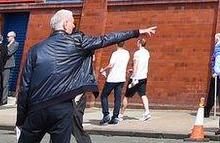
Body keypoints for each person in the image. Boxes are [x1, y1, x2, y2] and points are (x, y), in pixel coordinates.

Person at [14, 10, 154, 143]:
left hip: (36, 108)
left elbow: (24, 86)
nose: (74, 25)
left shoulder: (35, 50)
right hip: (62, 108)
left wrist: (21, 119)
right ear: (65, 24)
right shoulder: (77, 42)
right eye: (72, 22)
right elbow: (106, 39)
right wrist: (137, 32)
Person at [102, 40, 132, 125]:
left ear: (116, 44)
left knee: (104, 95)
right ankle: (115, 117)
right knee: (117, 98)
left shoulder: (115, 54)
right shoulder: (127, 53)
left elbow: (111, 65)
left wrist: (103, 69)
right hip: (121, 78)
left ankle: (106, 114)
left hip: (112, 78)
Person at [208, 33, 220, 121]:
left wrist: (214, 71)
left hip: (218, 73)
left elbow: (215, 60)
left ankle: (207, 110)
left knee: (213, 92)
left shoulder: (217, 48)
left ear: (217, 39)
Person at [132, 34, 153, 121]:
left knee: (127, 95)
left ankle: (120, 114)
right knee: (143, 94)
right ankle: (147, 111)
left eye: (137, 42)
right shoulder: (147, 53)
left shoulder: (137, 53)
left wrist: (134, 76)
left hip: (137, 76)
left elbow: (136, 65)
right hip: (144, 76)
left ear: (139, 43)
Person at [0, 32, 18, 107]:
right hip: (2, 65)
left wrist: (1, 50)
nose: (7, 38)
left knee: (4, 83)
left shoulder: (15, 44)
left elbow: (9, 53)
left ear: (12, 37)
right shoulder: (6, 45)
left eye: (8, 37)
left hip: (8, 65)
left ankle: (4, 100)